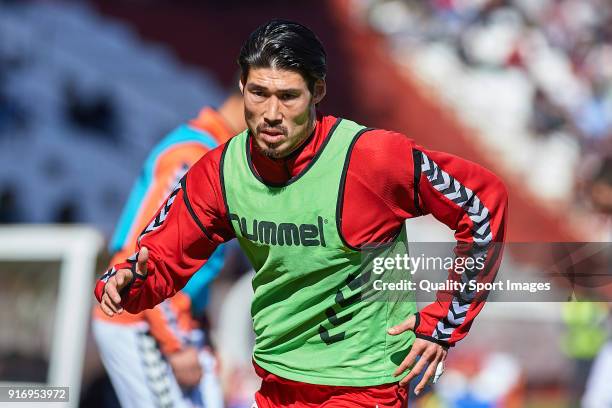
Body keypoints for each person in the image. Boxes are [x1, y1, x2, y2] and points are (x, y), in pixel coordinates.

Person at [95, 20, 508, 407]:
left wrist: (444, 321)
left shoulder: (371, 159)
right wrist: (131, 281)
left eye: (288, 96)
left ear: (318, 92)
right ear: (241, 87)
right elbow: (162, 257)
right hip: (278, 384)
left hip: (366, 386)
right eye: (258, 93)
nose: (271, 113)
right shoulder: (220, 170)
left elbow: (483, 202)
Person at [92, 91, 245, 408]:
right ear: (250, 94)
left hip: (171, 324)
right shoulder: (193, 155)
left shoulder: (214, 153)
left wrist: (198, 332)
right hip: (143, 321)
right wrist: (175, 344)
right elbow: (145, 258)